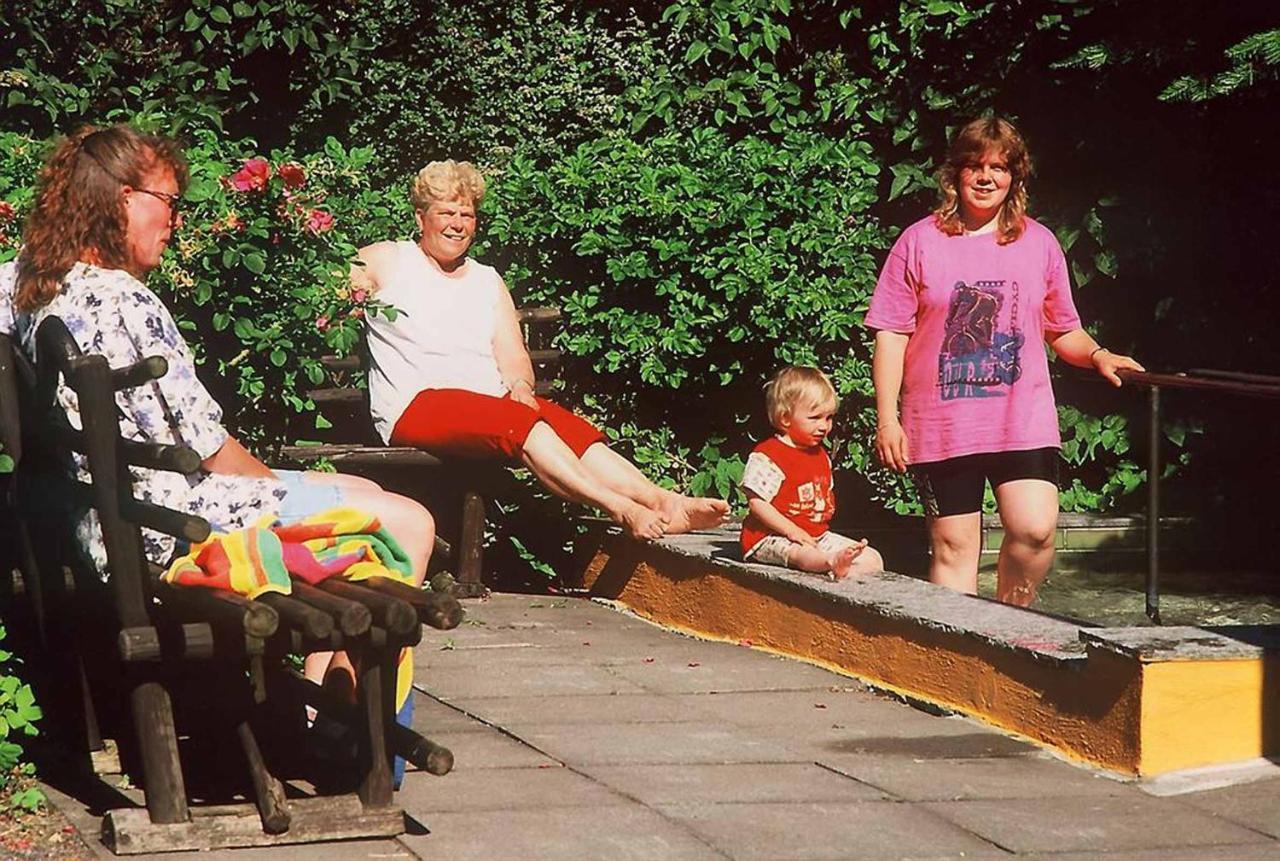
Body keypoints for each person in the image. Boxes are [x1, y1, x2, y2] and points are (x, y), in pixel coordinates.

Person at [0, 123, 435, 698]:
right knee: (408, 520)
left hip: (94, 520)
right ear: (122, 198)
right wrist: (275, 488)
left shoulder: (28, 277)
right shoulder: (124, 300)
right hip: (170, 528)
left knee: (357, 485)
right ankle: (346, 732)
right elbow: (209, 453)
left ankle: (323, 705)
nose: (175, 221)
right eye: (168, 201)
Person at [353, 159, 730, 540]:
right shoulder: (388, 259)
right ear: (421, 218)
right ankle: (621, 508)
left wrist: (519, 387)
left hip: (489, 403)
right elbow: (325, 291)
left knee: (569, 429)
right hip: (417, 405)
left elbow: (513, 355)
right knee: (523, 426)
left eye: (467, 214)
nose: (458, 223)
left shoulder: (486, 280)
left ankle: (662, 500)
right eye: (446, 213)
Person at [866, 116, 1144, 606]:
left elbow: (1063, 330)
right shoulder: (919, 241)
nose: (985, 176)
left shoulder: (1039, 243)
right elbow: (891, 332)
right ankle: (956, 662)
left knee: (1036, 532)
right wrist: (887, 419)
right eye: (974, 165)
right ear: (954, 173)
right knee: (955, 549)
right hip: (941, 423)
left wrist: (1099, 355)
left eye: (998, 167)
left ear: (1015, 177)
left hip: (1021, 422)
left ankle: (1010, 627)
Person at [739, 366, 884, 579]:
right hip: (770, 536)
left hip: (816, 534)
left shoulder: (820, 455)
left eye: (829, 418)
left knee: (873, 558)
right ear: (785, 418)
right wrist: (791, 531)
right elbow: (757, 503)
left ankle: (839, 569)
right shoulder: (769, 455)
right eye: (815, 417)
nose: (824, 426)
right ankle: (830, 562)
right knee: (802, 554)